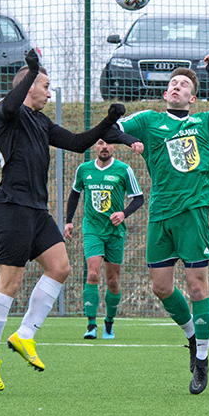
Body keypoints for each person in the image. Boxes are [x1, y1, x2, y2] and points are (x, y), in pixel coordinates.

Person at [0, 49, 142, 391]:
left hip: (36, 209)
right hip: (11, 206)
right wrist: (32, 68)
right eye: (45, 86)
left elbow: (77, 144)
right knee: (10, 282)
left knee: (60, 267)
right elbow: (9, 103)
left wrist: (108, 121)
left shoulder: (41, 122)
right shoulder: (6, 115)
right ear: (29, 85)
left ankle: (25, 335)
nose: (50, 93)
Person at [114, 54, 209, 394]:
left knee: (197, 286)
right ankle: (191, 335)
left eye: (184, 84)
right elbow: (111, 129)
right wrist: (131, 142)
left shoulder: (204, 124)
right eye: (173, 83)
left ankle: (201, 359)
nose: (176, 86)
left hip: (193, 213)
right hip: (160, 213)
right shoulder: (149, 121)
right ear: (165, 94)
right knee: (161, 287)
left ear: (193, 98)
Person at [63, 139, 144, 340]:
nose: (105, 147)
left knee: (113, 281)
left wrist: (123, 214)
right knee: (92, 275)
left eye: (109, 144)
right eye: (100, 143)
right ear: (94, 147)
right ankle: (91, 325)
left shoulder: (124, 170)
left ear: (115, 147)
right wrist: (69, 221)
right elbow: (74, 194)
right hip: (92, 229)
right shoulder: (84, 169)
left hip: (115, 231)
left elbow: (139, 198)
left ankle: (109, 322)